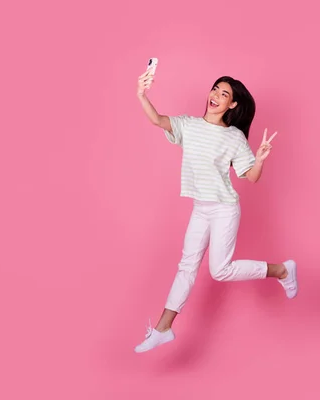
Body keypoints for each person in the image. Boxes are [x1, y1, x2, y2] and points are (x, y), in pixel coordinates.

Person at [134, 69, 298, 353]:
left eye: (225, 94)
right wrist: (141, 94)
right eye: (215, 90)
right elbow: (157, 119)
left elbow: (252, 176)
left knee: (219, 270)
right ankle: (164, 328)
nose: (216, 96)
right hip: (201, 208)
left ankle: (282, 270)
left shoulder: (234, 137)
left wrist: (258, 160)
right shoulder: (188, 125)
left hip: (224, 209)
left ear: (233, 105)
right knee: (186, 267)